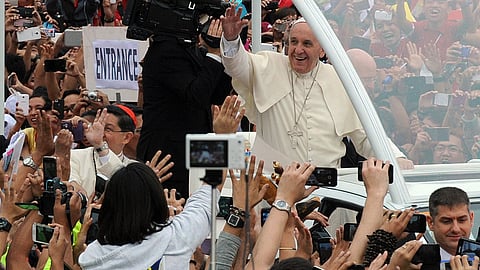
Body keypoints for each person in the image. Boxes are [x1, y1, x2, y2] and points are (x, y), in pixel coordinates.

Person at [220, 7, 414, 169]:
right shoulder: (268, 65)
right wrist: (230, 40)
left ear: (322, 49)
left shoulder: (338, 79)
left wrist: (396, 158)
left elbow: (365, 134)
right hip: (274, 187)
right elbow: (237, 65)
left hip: (325, 192)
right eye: (294, 42)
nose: (298, 50)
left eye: (307, 44)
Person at [137, 18, 232, 197]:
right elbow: (196, 95)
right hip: (170, 156)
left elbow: (217, 95)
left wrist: (223, 49)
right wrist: (212, 54)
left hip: (200, 141)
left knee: (209, 196)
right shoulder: (165, 50)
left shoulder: (189, 49)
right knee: (182, 208)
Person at [78, 161, 225, 269]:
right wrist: (224, 136)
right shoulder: (175, 237)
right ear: (157, 200)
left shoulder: (91, 256)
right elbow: (211, 188)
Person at [427, 187, 475, 260]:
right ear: (431, 223)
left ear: (471, 219)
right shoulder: (413, 264)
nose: (455, 229)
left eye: (461, 220)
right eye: (446, 221)